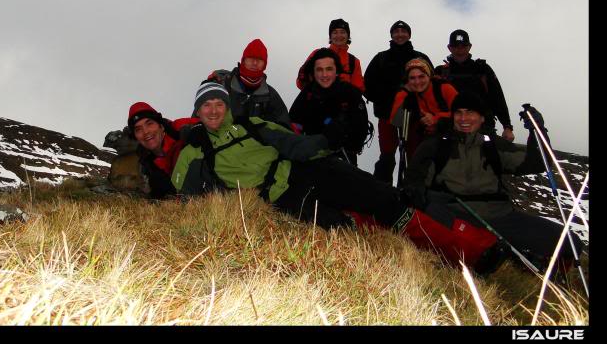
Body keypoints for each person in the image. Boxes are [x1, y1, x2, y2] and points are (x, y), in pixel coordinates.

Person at [171, 81, 508, 275]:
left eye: (218, 103)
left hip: (310, 170)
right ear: (197, 112)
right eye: (206, 106)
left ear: (227, 106)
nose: (213, 110)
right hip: (282, 199)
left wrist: (329, 140)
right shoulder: (197, 148)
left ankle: (475, 252)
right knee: (350, 232)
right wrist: (189, 145)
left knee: (387, 201)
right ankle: (433, 265)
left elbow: (295, 145)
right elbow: (182, 191)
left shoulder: (251, 126)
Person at [403, 91, 583, 274]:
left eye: (471, 112)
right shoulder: (435, 146)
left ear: (481, 118)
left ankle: (551, 279)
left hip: (502, 218)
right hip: (458, 220)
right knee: (482, 253)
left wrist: (537, 131)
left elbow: (536, 163)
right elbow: (414, 185)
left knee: (571, 243)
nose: (464, 118)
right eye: (459, 112)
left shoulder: (493, 146)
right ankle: (502, 258)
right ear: (452, 116)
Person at [363, 21, 434, 183]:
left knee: (414, 156)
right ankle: (382, 193)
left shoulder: (420, 58)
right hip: (387, 115)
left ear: (409, 34)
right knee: (387, 155)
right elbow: (367, 84)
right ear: (391, 35)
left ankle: (413, 195)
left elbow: (432, 84)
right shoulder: (381, 58)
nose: (400, 34)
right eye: (396, 31)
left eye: (403, 31)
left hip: (415, 116)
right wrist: (382, 99)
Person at [289, 47, 372, 166]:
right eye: (319, 70)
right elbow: (292, 123)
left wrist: (341, 134)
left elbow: (360, 133)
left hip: (343, 158)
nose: (324, 75)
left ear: (337, 71)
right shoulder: (307, 94)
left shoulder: (350, 94)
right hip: (310, 158)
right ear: (313, 72)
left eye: (329, 69)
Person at [435, 29, 515, 141]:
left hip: (483, 128)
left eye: (463, 45)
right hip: (450, 129)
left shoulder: (482, 69)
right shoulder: (440, 72)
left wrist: (507, 127)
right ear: (449, 47)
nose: (459, 49)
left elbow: (497, 97)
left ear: (469, 47)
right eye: (455, 46)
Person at [202, 38, 292, 129]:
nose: (255, 63)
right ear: (243, 61)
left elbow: (284, 128)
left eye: (260, 60)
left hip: (256, 142)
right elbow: (199, 117)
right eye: (251, 58)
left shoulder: (270, 95)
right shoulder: (223, 85)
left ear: (264, 65)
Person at [389, 58, 459, 163]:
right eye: (412, 78)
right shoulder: (405, 94)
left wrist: (436, 118)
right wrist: (406, 93)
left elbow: (463, 115)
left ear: (429, 76)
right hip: (424, 141)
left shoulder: (444, 88)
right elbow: (396, 121)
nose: (417, 82)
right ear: (407, 80)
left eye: (421, 76)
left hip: (451, 138)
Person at [126, 102, 199, 199]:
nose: (146, 132)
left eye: (149, 124)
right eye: (138, 129)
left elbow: (215, 123)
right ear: (135, 137)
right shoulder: (145, 165)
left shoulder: (179, 128)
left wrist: (196, 132)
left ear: (161, 126)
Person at [295, 18, 365, 93]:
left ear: (348, 36)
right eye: (335, 32)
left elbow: (358, 89)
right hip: (317, 103)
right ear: (330, 36)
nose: (339, 35)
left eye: (342, 32)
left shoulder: (354, 61)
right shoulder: (317, 54)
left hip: (342, 103)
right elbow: (300, 82)